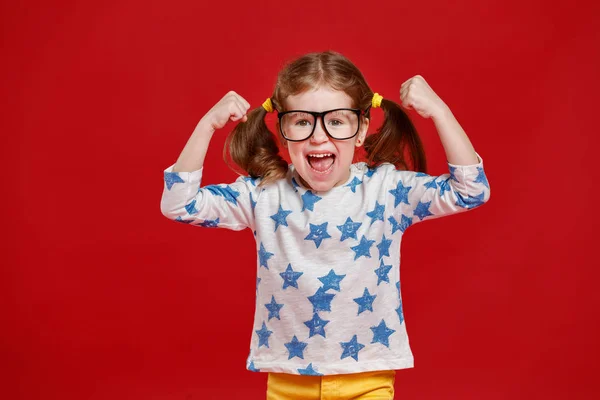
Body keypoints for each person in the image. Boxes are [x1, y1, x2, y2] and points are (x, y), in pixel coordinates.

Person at [160, 50, 491, 399]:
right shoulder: (264, 196)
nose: (319, 137)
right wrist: (207, 125)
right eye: (302, 121)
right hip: (289, 380)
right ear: (283, 130)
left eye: (336, 120)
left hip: (367, 377)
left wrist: (440, 111)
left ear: (361, 128)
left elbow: (471, 191)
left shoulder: (386, 191)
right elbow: (179, 203)